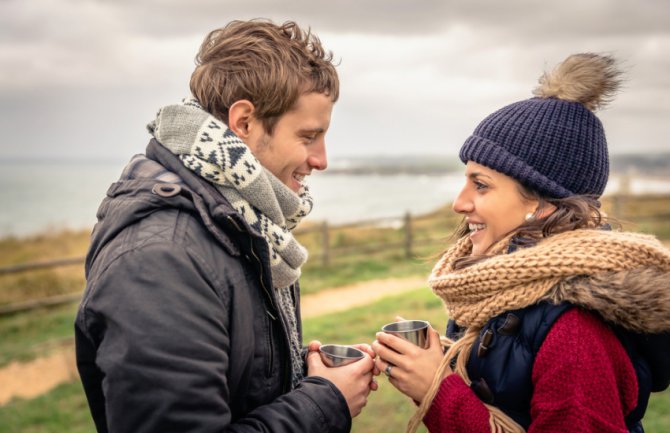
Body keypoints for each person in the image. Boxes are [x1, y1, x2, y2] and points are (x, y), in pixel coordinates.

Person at [75, 19, 376, 433]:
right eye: (309, 136)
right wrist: (325, 401)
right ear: (245, 122)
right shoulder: (160, 261)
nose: (322, 159)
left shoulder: (243, 219)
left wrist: (304, 379)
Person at [372, 53, 670, 433]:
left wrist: (438, 388)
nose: (459, 203)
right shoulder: (503, 287)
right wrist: (437, 362)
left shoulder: (575, 330)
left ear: (543, 204)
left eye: (480, 185)